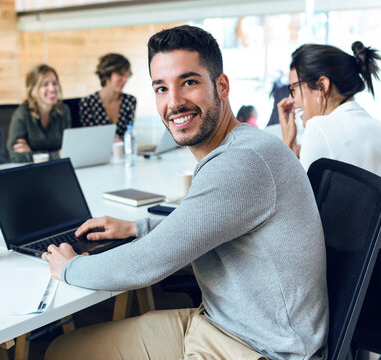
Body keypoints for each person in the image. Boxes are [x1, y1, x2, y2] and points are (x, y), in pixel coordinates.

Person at [43, 25, 328, 360]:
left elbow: (146, 264)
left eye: (189, 82)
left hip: (259, 349)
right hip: (222, 325)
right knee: (64, 350)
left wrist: (69, 268)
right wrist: (138, 228)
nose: (174, 102)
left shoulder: (241, 162)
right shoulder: (239, 149)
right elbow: (200, 224)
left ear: (221, 87)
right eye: (161, 88)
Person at [278, 41, 381, 183]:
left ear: (322, 86)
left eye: (294, 89)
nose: (290, 100)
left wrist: (287, 145)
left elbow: (294, 201)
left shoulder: (319, 128)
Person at [7, 64, 71, 163]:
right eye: (45, 84)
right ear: (32, 90)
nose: (52, 89)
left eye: (54, 83)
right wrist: (56, 155)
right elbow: (15, 156)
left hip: (58, 168)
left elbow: (69, 149)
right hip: (32, 172)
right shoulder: (22, 115)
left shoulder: (63, 111)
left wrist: (33, 153)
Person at [79, 53, 137, 141]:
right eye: (120, 74)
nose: (125, 80)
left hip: (122, 152)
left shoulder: (130, 101)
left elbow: (128, 135)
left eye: (127, 75)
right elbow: (88, 139)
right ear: (107, 74)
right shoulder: (88, 103)